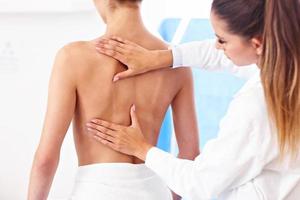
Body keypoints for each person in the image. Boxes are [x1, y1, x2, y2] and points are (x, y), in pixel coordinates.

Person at [87, 0, 300, 199]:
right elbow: (221, 53)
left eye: (222, 40)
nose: (216, 46)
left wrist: (141, 148)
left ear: (258, 44)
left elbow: (201, 182)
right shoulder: (287, 70)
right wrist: (161, 58)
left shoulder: (256, 108)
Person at [27, 0, 200, 199]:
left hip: (95, 192)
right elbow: (190, 153)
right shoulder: (175, 63)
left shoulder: (72, 57)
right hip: (154, 190)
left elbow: (45, 159)